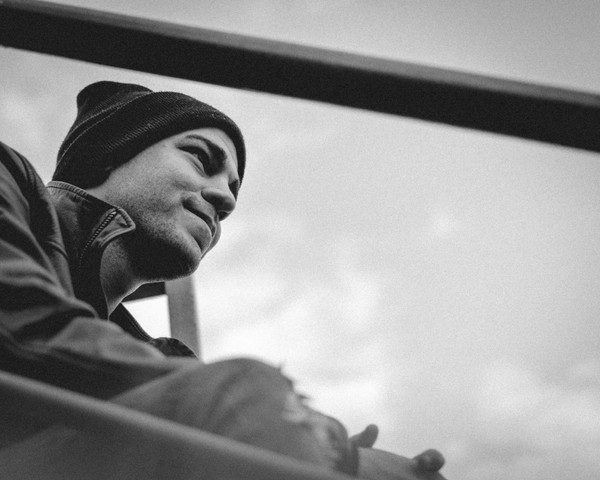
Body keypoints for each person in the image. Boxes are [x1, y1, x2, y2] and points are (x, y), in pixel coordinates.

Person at [0, 81, 446, 479]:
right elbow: (22, 329)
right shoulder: (6, 178)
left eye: (232, 188)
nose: (225, 199)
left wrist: (308, 449)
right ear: (109, 154)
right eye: (201, 159)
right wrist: (331, 449)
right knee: (242, 395)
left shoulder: (159, 357)